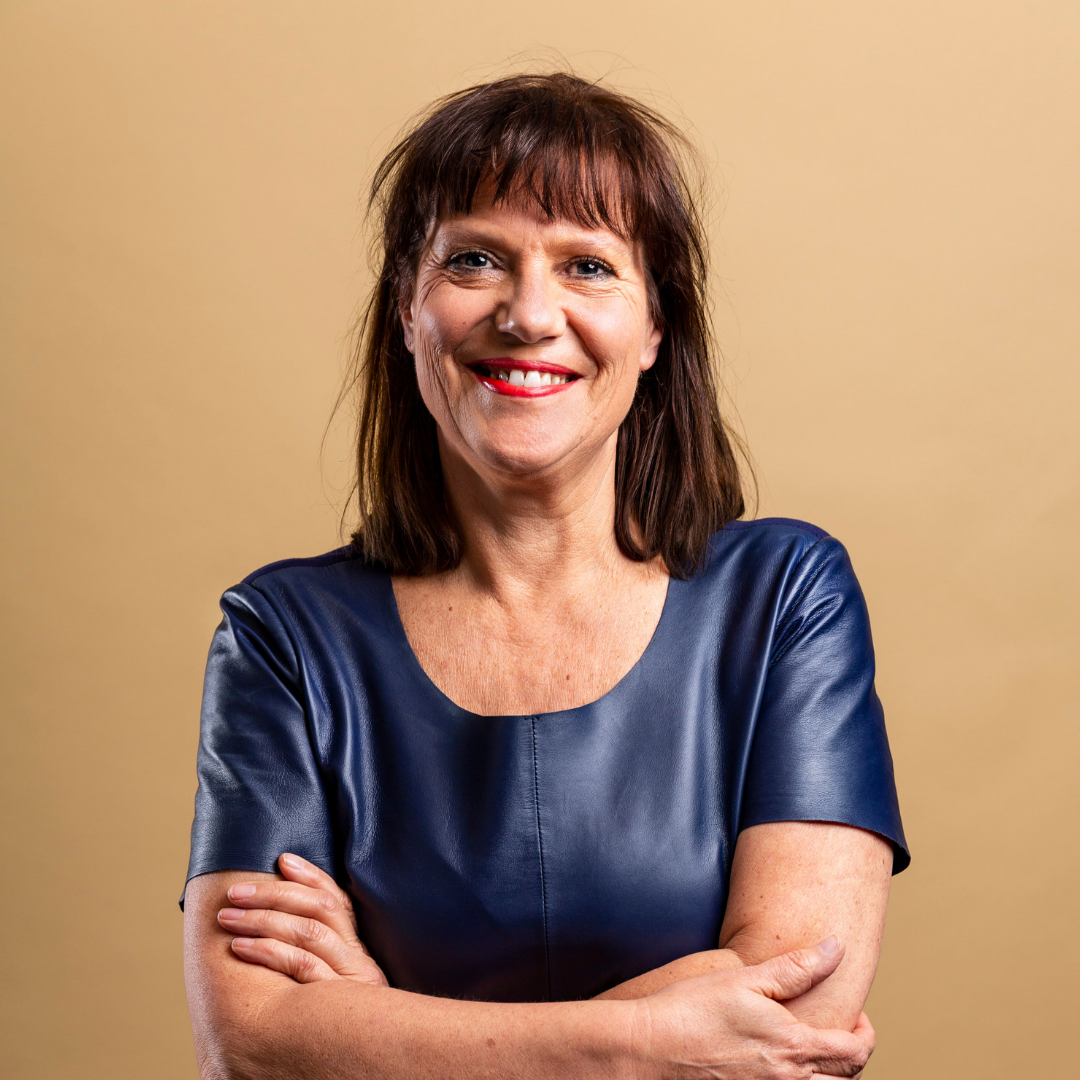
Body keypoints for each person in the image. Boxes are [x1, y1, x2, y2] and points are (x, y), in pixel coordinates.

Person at [182, 72, 908, 1079]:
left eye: (589, 266)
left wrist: (375, 1027)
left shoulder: (785, 596)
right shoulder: (283, 633)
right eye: (474, 259)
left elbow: (802, 1005)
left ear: (656, 329)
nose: (529, 315)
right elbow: (253, 1041)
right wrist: (650, 1045)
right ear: (406, 311)